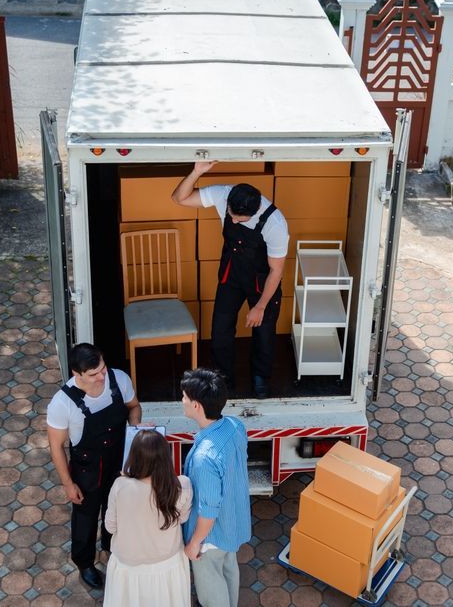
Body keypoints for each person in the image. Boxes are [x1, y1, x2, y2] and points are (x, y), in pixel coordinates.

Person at [171, 161, 289, 397]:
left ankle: (260, 378)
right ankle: (223, 378)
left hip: (262, 279)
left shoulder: (275, 224)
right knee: (220, 328)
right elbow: (179, 199)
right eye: (231, 216)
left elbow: (276, 270)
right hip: (232, 272)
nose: (233, 222)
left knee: (264, 332)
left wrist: (260, 306)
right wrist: (197, 172)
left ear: (255, 211)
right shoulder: (223, 194)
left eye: (240, 220)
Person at [46, 343, 142, 590]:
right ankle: (85, 563)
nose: (101, 376)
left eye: (102, 368)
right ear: (77, 375)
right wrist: (68, 484)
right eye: (93, 374)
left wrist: (135, 432)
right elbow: (56, 446)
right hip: (87, 469)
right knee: (85, 518)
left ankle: (111, 548)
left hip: (119, 461)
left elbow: (134, 407)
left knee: (117, 508)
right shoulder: (61, 403)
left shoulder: (118, 378)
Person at [180, 368, 252, 607]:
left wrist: (193, 544)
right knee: (229, 571)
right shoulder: (234, 425)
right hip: (232, 523)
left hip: (210, 537)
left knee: (212, 594)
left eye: (185, 397)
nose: (182, 401)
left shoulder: (204, 458)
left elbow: (208, 511)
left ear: (197, 406)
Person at [103, 429, 193, 607]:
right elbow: (182, 519)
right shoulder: (182, 485)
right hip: (168, 565)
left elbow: (110, 527)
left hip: (128, 568)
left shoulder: (120, 486)